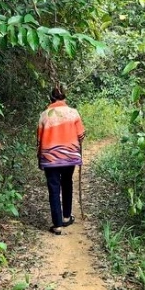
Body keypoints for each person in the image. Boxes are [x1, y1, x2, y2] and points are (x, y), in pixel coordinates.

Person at [37, 86, 85, 235]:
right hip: (69, 156)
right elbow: (81, 135)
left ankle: (57, 225)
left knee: (53, 188)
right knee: (67, 183)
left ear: (50, 99)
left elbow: (39, 140)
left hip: (50, 157)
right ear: (64, 98)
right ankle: (66, 217)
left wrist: (40, 157)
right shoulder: (73, 113)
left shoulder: (44, 115)